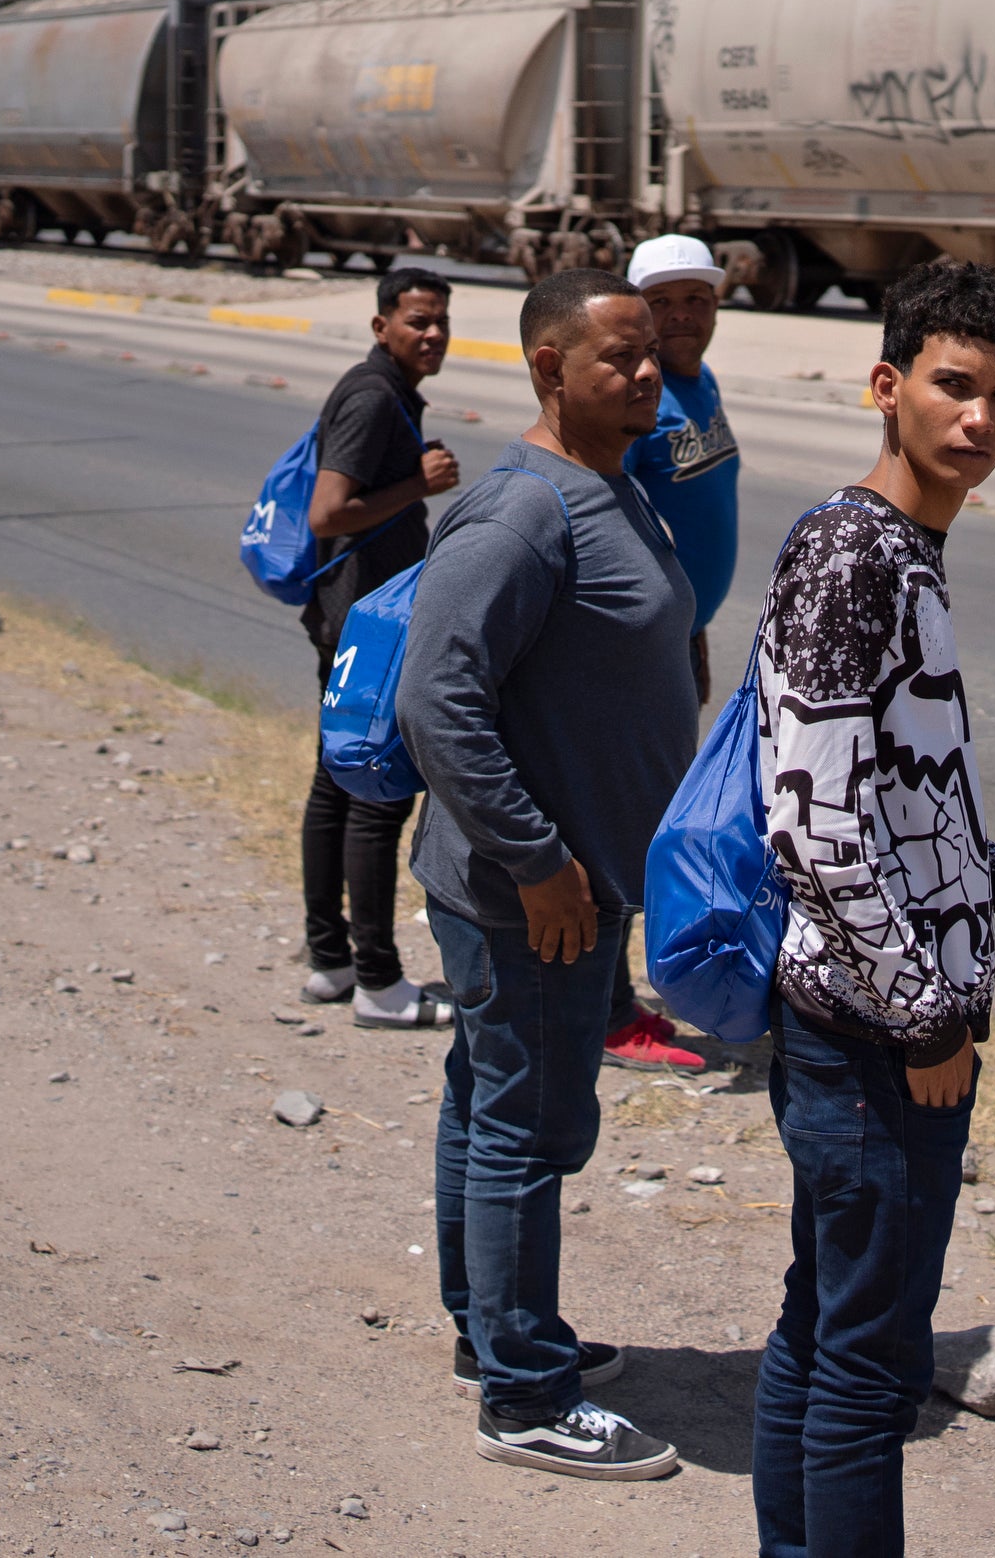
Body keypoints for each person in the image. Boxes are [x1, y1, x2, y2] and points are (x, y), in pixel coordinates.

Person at [749, 260, 995, 1558]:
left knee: (827, 1325)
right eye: (957, 386)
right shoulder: (856, 555)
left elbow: (897, 800)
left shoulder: (905, 550)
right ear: (887, 385)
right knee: (869, 1369)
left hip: (870, 1027)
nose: (983, 420)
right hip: (871, 1045)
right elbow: (816, 828)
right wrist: (926, 1020)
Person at [400, 265, 697, 1481]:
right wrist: (539, 863)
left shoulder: (615, 484)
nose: (644, 373)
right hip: (531, 894)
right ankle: (525, 1395)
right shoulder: (524, 509)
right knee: (529, 1121)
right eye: (616, 358)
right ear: (547, 369)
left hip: (576, 880)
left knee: (490, 1097)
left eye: (649, 356)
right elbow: (438, 697)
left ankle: (494, 1333)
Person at [298, 265, 461, 1030]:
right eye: (416, 321)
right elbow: (329, 514)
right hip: (369, 628)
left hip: (350, 619)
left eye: (439, 322)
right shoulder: (371, 396)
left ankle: (330, 961)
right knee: (375, 795)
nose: (431, 335)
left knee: (335, 787)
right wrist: (419, 484)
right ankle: (378, 982)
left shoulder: (385, 390)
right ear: (380, 327)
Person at [602, 231, 746, 1076]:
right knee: (632, 815)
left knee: (659, 807)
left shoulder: (698, 383)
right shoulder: (641, 395)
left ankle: (624, 985)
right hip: (638, 642)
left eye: (699, 298)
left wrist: (692, 629)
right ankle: (611, 1012)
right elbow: (609, 515)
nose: (684, 315)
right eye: (665, 302)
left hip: (678, 633)